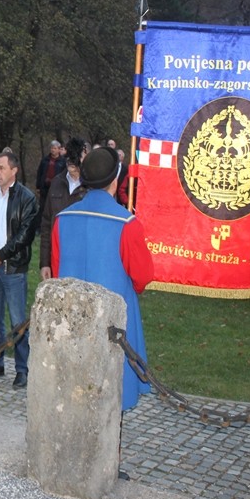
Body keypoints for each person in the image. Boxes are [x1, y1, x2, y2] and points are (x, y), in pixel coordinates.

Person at [51, 147, 154, 411]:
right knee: (112, 400)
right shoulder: (127, 224)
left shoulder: (62, 219)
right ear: (114, 180)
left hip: (72, 319)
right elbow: (143, 277)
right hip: (114, 323)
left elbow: (56, 270)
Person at [0, 150, 38, 388]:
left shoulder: (27, 198)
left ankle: (22, 369)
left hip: (12, 270)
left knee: (17, 322)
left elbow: (24, 236)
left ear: (14, 170)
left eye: (2, 168)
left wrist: (0, 256)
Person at [39, 137, 88, 281]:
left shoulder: (92, 189)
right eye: (69, 157)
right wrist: (45, 263)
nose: (71, 162)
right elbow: (47, 223)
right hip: (57, 258)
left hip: (82, 263)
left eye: (76, 157)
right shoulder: (57, 183)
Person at [35, 140, 66, 220]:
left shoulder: (63, 162)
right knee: (43, 207)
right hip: (44, 187)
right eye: (52, 148)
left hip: (56, 188)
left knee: (54, 206)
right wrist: (38, 186)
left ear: (59, 149)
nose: (53, 150)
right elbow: (40, 173)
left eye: (55, 148)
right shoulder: (45, 160)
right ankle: (40, 225)